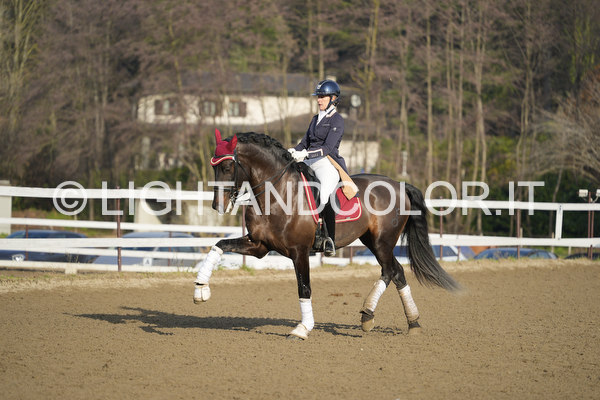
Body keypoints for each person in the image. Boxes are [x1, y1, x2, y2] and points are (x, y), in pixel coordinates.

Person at [288, 79, 349, 257]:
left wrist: (305, 154)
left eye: (322, 97)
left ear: (333, 99)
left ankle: (329, 238)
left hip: (327, 163)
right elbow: (304, 142)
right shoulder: (315, 119)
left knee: (323, 195)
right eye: (318, 97)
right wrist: (292, 152)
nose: (318, 100)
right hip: (308, 160)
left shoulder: (337, 120)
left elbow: (328, 148)